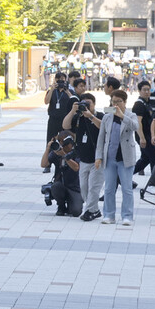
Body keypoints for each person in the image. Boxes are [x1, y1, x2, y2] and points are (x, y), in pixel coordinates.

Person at [95, 89, 141, 226]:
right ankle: (108, 215)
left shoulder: (130, 115)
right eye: (113, 101)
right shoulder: (107, 116)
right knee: (109, 188)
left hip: (125, 158)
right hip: (109, 158)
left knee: (127, 188)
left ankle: (127, 216)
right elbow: (101, 138)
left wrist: (122, 116)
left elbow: (135, 126)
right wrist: (98, 156)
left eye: (119, 101)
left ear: (125, 102)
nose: (115, 104)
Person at [63, 93, 103, 221]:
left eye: (88, 103)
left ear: (94, 104)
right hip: (83, 159)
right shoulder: (78, 118)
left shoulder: (100, 115)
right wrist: (73, 111)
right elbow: (65, 126)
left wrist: (90, 116)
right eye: (83, 103)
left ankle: (89, 212)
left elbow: (104, 127)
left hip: (97, 159)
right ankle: (95, 210)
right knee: (84, 188)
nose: (86, 106)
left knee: (94, 187)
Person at [41, 133, 82, 217]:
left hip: (74, 187)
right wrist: (48, 148)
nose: (64, 147)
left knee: (76, 211)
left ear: (71, 143)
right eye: (61, 144)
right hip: (60, 185)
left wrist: (65, 155)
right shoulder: (56, 153)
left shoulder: (77, 152)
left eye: (66, 144)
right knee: (56, 186)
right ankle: (61, 206)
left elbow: (76, 167)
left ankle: (70, 204)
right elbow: (43, 164)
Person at [131, 81, 155, 177]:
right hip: (143, 135)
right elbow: (138, 122)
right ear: (139, 91)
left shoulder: (147, 103)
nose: (147, 92)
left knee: (145, 158)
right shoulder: (139, 104)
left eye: (148, 89)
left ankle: (122, 177)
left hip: (148, 135)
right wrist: (142, 137)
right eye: (144, 90)